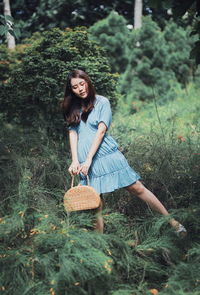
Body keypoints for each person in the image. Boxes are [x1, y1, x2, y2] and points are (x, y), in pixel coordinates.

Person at [62, 69, 187, 236]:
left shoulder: (102, 102)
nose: (80, 89)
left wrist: (89, 159)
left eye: (82, 84)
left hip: (105, 156)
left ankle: (173, 223)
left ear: (88, 82)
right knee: (95, 205)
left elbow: (100, 131)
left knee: (137, 188)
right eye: (75, 87)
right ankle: (100, 247)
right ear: (71, 90)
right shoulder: (73, 108)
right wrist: (75, 160)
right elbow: (73, 133)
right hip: (86, 163)